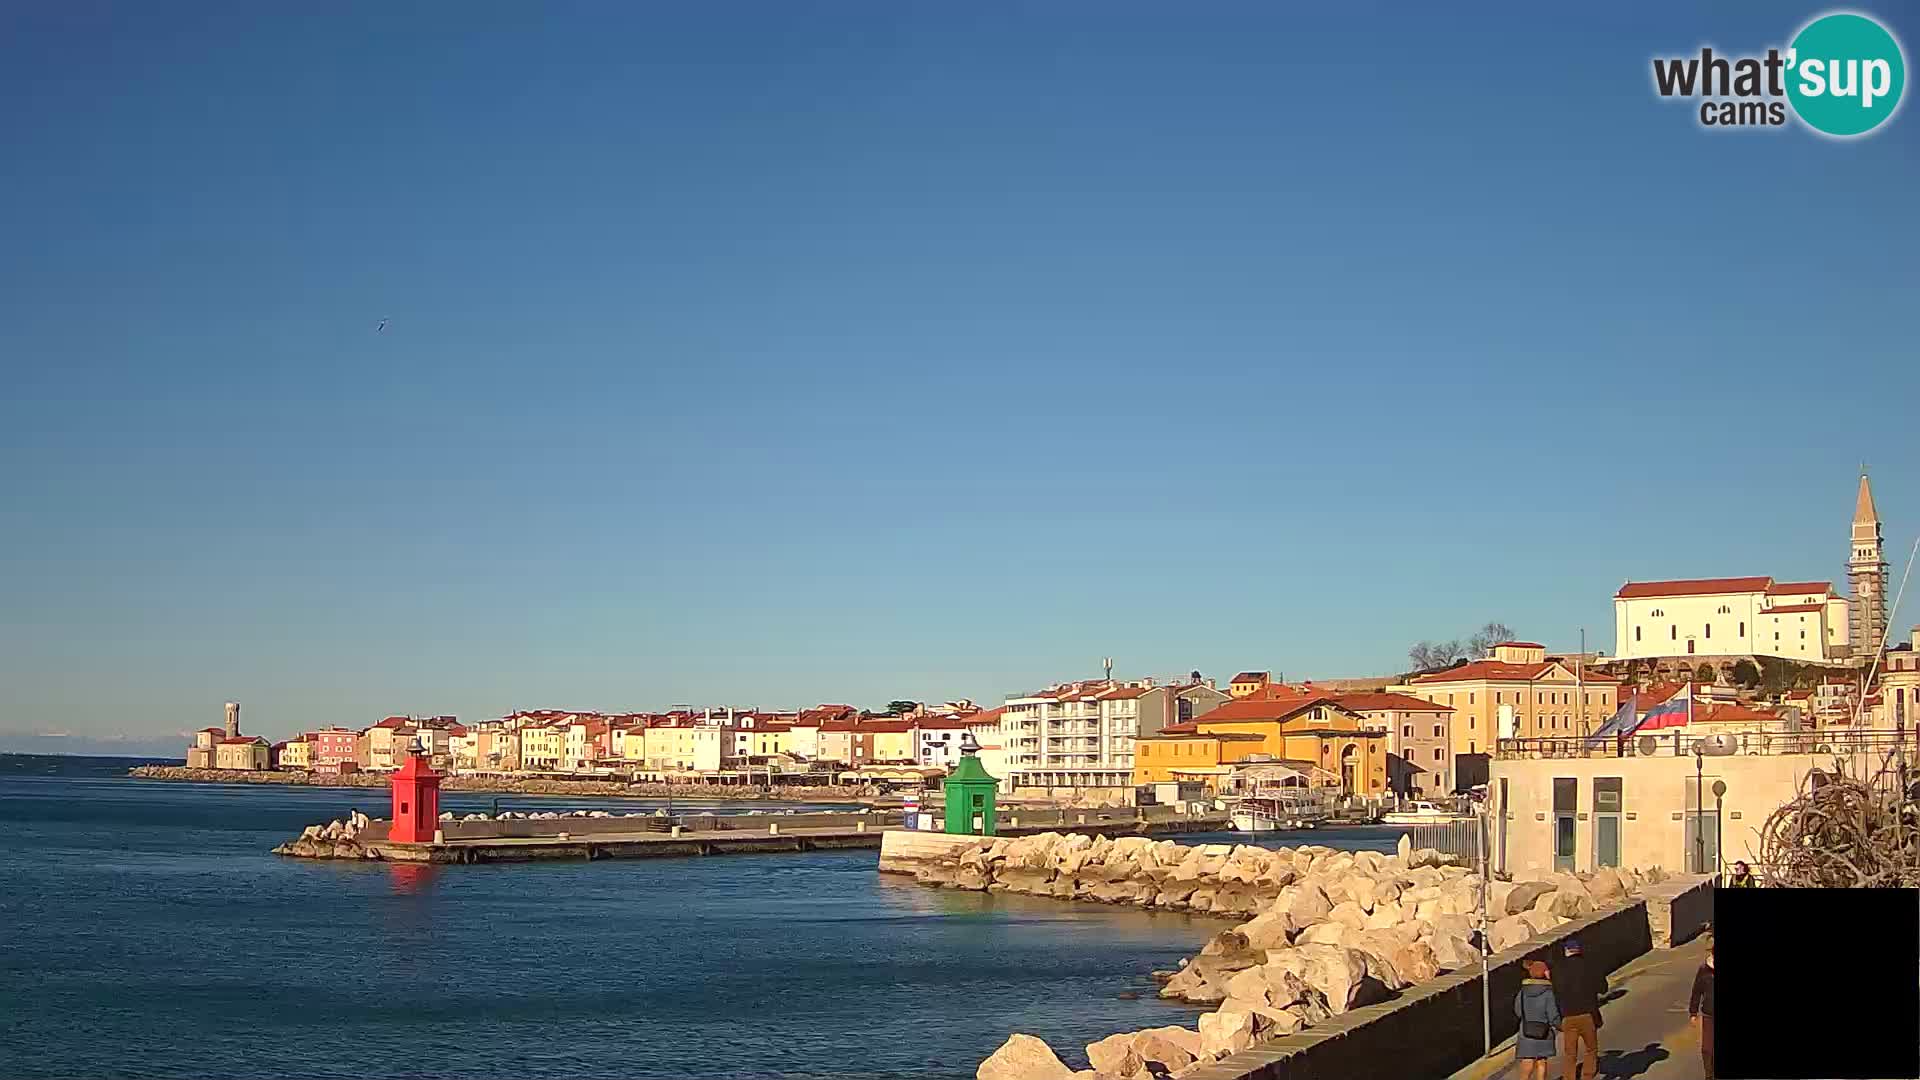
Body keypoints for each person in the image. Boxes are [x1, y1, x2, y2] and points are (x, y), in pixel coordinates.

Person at [1551, 938, 1606, 1080]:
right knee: (1591, 1049)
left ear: (1566, 951)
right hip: (1587, 1014)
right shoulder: (1589, 966)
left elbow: (1555, 991)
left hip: (1567, 1016)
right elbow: (1603, 988)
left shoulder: (1558, 969)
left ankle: (1569, 1077)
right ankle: (1587, 1076)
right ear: (1579, 950)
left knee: (1570, 1053)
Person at [1515, 958, 1563, 1080]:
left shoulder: (1522, 992)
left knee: (1527, 1061)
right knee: (1541, 1061)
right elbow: (1553, 1015)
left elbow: (1518, 1011)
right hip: (1544, 1031)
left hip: (1525, 1031)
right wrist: (1560, 1026)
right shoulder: (1548, 993)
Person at [1690, 944, 1715, 1080]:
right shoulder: (1704, 970)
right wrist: (1693, 1012)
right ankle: (1709, 1075)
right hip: (1709, 1014)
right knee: (1708, 1046)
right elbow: (1696, 991)